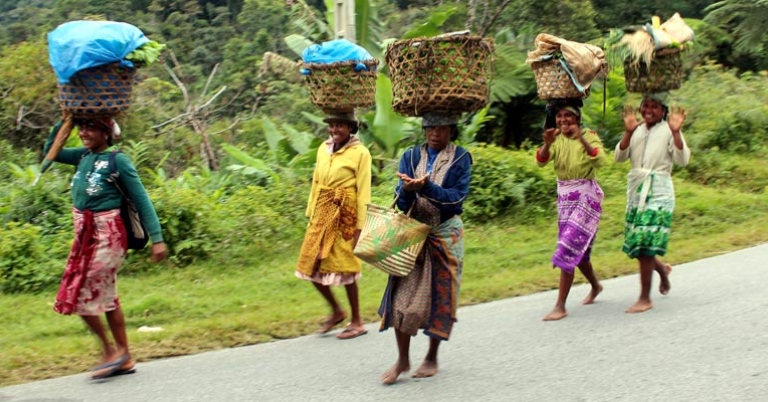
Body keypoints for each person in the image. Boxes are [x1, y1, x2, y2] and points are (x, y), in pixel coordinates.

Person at [44, 116, 168, 379]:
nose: (84, 133)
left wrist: (157, 239)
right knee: (106, 296)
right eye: (82, 127)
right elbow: (50, 153)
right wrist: (63, 122)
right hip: (84, 236)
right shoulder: (82, 156)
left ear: (106, 132)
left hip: (109, 235)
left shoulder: (118, 161)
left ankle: (111, 351)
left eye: (90, 128)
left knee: (82, 291)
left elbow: (141, 198)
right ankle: (123, 355)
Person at [378, 112, 472, 384]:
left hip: (444, 235)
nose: (435, 133)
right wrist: (408, 190)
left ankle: (431, 356)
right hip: (413, 235)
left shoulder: (460, 158)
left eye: (441, 128)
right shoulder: (410, 156)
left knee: (440, 297)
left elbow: (456, 200)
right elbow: (402, 202)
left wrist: (427, 187)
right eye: (430, 128)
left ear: (451, 131)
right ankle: (402, 359)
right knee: (399, 297)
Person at [295, 111, 372, 340]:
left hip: (345, 212)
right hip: (322, 210)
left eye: (341, 126)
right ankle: (337, 310)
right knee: (310, 262)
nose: (335, 129)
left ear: (351, 128)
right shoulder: (323, 148)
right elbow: (316, 182)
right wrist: (312, 213)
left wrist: (359, 226)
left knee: (346, 264)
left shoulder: (360, 153)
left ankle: (357, 321)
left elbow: (364, 191)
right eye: (333, 125)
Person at [616, 92, 690, 313]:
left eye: (654, 107)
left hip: (659, 191)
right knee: (639, 247)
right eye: (645, 106)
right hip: (637, 192)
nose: (649, 110)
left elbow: (682, 160)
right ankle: (662, 271)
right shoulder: (636, 130)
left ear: (664, 111)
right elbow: (619, 158)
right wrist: (628, 133)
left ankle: (644, 298)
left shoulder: (669, 130)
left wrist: (676, 133)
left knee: (645, 243)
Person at [535, 99, 605, 321]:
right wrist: (547, 144)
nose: (564, 120)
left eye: (568, 116)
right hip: (565, 200)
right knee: (579, 252)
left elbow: (600, 160)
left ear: (577, 118)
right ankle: (596, 286)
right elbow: (540, 161)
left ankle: (560, 306)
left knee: (567, 247)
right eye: (560, 116)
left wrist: (581, 139)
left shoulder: (590, 135)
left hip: (586, 197)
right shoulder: (555, 139)